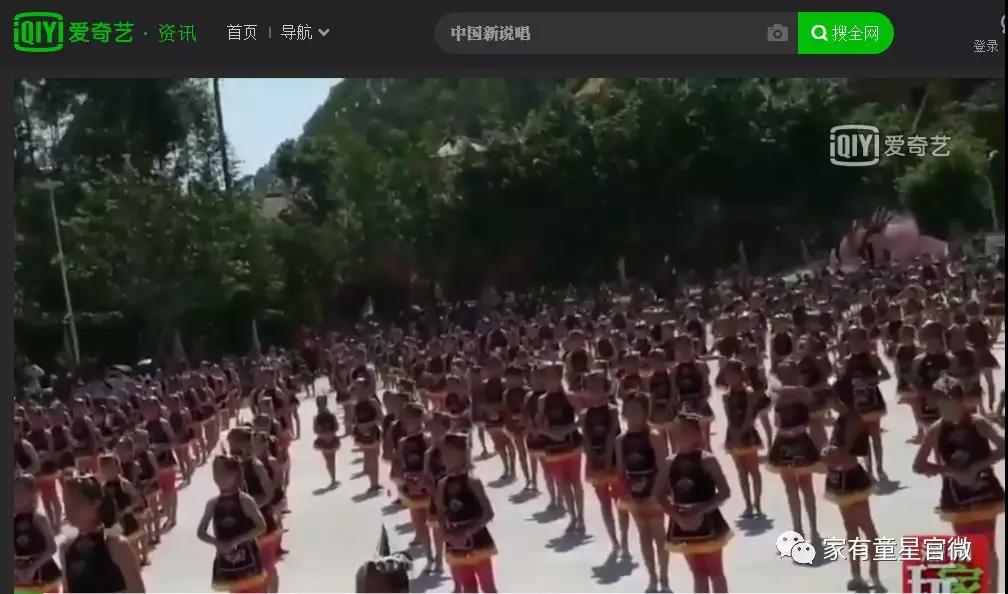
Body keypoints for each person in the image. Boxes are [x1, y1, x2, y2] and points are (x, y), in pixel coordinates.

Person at [913, 375, 1005, 592]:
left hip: (984, 493)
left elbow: (1003, 447)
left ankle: (992, 589)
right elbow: (918, 465)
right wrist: (950, 472)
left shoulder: (978, 423)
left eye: (951, 404)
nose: (947, 410)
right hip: (955, 496)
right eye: (942, 405)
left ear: (962, 401)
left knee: (987, 546)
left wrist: (977, 466)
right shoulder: (936, 429)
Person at [659, 414, 732, 594]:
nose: (680, 434)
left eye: (685, 430)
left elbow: (725, 492)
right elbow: (659, 495)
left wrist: (701, 510)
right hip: (682, 524)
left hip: (708, 522)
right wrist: (678, 517)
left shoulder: (707, 459)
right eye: (677, 430)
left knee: (715, 572)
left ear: (697, 433)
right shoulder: (670, 462)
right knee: (698, 574)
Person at [822, 393, 883, 591]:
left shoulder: (853, 419)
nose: (832, 404)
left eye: (835, 400)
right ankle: (856, 574)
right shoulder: (840, 420)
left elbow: (845, 451)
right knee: (850, 529)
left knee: (867, 528)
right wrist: (827, 452)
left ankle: (874, 572)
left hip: (852, 478)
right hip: (838, 478)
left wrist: (830, 452)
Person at [616, 392, 669, 592]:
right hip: (634, 495)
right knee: (644, 536)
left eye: (637, 410)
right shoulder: (621, 440)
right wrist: (627, 491)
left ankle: (664, 577)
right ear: (623, 412)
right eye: (629, 409)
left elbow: (664, 468)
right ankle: (652, 577)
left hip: (655, 493)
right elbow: (620, 472)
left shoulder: (654, 436)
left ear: (646, 412)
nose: (633, 414)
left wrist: (655, 494)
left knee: (659, 536)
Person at [434, 432, 498, 593]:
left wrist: (469, 531)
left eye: (451, 454)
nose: (446, 458)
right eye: (444, 454)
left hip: (478, 540)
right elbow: (440, 513)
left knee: (488, 587)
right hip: (456, 543)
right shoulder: (442, 485)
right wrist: (446, 535)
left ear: (463, 455)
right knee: (468, 587)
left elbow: (488, 513)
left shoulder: (472, 482)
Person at [61, 474, 146, 592]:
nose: (68, 510)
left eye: (75, 504)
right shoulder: (67, 549)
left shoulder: (115, 545)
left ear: (95, 504)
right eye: (66, 504)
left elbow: (136, 589)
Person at [767, 360, 821, 543]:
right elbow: (777, 405)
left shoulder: (801, 390)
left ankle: (813, 528)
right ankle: (798, 527)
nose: (786, 376)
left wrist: (782, 390)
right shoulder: (781, 391)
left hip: (800, 440)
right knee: (791, 490)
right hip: (783, 441)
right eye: (782, 373)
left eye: (789, 372)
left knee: (807, 488)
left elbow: (803, 397)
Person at [197, 455, 268, 593]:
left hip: (248, 558)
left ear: (234, 475)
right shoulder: (213, 503)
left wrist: (236, 541)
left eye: (222, 474)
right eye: (216, 474)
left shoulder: (245, 500)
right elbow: (201, 532)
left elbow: (261, 526)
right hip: (226, 560)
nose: (218, 478)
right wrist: (216, 543)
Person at [581, 369, 630, 555]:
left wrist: (608, 460)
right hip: (595, 462)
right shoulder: (584, 415)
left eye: (598, 386)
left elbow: (612, 437)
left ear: (605, 388)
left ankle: (624, 538)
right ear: (585, 390)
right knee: (604, 503)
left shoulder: (612, 410)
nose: (594, 391)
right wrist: (592, 460)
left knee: (621, 501)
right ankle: (614, 540)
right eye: (590, 387)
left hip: (615, 460)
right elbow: (586, 439)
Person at [537, 362, 584, 533]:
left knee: (575, 482)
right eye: (544, 376)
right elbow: (538, 424)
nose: (546, 380)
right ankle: (572, 517)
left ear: (559, 377)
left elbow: (582, 418)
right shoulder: (542, 400)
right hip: (553, 447)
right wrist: (550, 433)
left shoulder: (570, 397)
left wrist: (567, 430)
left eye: (549, 376)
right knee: (563, 484)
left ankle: (581, 517)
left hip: (572, 445)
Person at [718, 359, 763, 517]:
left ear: (740, 375)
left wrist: (741, 432)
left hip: (748, 435)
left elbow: (750, 417)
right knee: (741, 472)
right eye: (727, 375)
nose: (730, 378)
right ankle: (747, 504)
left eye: (733, 374)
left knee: (754, 470)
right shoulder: (726, 396)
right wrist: (733, 435)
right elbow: (729, 418)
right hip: (733, 434)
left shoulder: (749, 393)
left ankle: (757, 502)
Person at [397, 402, 433, 565]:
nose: (405, 422)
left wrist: (425, 479)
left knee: (436, 523)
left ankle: (439, 556)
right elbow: (400, 464)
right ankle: (429, 556)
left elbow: (434, 461)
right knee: (419, 524)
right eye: (404, 419)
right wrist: (403, 482)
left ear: (420, 419)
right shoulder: (402, 442)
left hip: (428, 485)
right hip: (411, 486)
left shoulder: (427, 439)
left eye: (409, 418)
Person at [14, 474, 62, 594]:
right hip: (18, 578)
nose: (17, 495)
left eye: (21, 491)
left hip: (44, 573)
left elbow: (52, 547)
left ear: (32, 494)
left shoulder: (39, 519)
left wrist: (33, 567)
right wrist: (17, 571)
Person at [312, 395, 341, 486]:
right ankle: (332, 477)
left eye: (322, 403)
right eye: (320, 404)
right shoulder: (317, 418)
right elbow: (315, 430)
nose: (321, 406)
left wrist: (330, 433)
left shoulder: (330, 416)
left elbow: (336, 427)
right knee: (329, 460)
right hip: (324, 440)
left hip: (330, 439)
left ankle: (333, 478)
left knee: (331, 460)